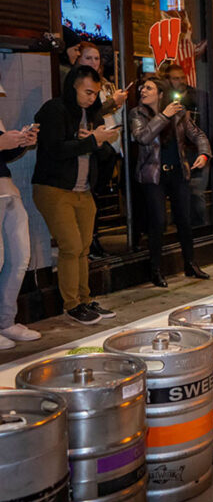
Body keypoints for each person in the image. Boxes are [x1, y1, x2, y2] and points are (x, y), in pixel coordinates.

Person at [32, 65, 119, 324]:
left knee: (83, 249)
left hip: (83, 191)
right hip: (55, 190)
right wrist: (91, 141)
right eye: (87, 92)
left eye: (96, 94)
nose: (92, 98)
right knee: (71, 247)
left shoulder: (93, 115)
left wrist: (97, 141)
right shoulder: (54, 109)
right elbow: (55, 149)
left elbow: (107, 156)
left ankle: (85, 300)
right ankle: (72, 305)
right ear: (73, 86)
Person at [129, 76, 211, 287]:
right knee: (157, 222)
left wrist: (203, 154)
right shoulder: (137, 114)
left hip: (177, 172)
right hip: (153, 176)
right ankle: (155, 269)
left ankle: (190, 263)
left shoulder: (179, 113)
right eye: (142, 88)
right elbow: (143, 137)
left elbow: (198, 135)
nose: (143, 91)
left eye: (149, 88)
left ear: (161, 93)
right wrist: (163, 116)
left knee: (184, 219)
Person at [77, 41, 127, 258]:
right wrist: (113, 104)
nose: (94, 62)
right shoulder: (77, 84)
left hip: (109, 145)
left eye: (96, 58)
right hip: (90, 146)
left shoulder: (106, 84)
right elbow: (92, 113)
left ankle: (94, 240)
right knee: (90, 197)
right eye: (89, 58)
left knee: (97, 197)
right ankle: (89, 242)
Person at [0, 119, 39, 348]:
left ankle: (6, 321)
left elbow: (4, 153)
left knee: (19, 257)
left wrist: (21, 142)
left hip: (6, 185)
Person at [165, 62, 211, 226]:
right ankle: (182, 225)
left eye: (182, 77)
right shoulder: (165, 99)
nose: (181, 81)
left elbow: (202, 130)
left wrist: (204, 150)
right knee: (180, 193)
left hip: (195, 149)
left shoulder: (199, 96)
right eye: (176, 78)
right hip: (177, 151)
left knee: (197, 191)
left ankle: (199, 226)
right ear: (168, 80)